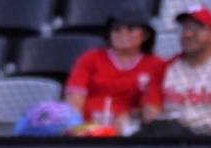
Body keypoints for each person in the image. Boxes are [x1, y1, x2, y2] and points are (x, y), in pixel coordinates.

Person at [140, 4, 211, 136]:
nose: (188, 34)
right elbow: (150, 115)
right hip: (171, 141)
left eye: (196, 27)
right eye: (184, 28)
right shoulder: (162, 68)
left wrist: (202, 141)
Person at [65, 0, 165, 132]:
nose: (122, 34)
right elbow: (74, 99)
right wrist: (77, 127)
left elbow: (152, 109)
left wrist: (129, 116)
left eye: (130, 29)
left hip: (131, 130)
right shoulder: (90, 58)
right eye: (116, 29)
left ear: (145, 35)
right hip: (87, 128)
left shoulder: (156, 64)